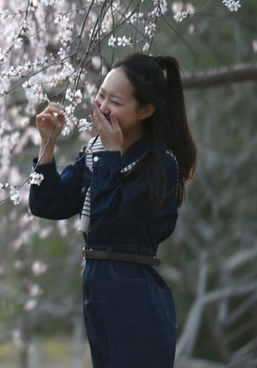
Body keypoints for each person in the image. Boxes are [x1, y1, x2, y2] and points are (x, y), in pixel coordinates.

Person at [29, 53, 196, 368]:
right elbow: (48, 204)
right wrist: (48, 143)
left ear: (146, 110)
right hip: (99, 282)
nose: (102, 107)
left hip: (133, 289)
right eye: (101, 95)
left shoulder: (161, 164)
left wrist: (110, 153)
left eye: (115, 102)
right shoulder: (96, 151)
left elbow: (107, 219)